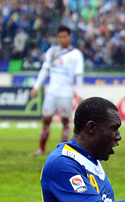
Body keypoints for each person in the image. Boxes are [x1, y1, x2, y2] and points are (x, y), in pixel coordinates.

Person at [29, 26, 84, 156]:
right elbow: (44, 69)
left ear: (70, 37)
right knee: (46, 119)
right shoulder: (52, 52)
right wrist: (36, 86)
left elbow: (79, 75)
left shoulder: (76, 54)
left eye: (65, 36)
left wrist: (80, 94)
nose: (62, 39)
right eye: (60, 37)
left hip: (66, 92)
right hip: (52, 92)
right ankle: (41, 148)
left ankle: (62, 152)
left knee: (65, 121)